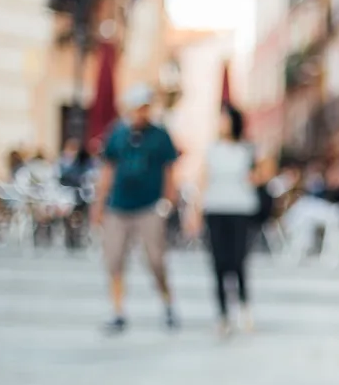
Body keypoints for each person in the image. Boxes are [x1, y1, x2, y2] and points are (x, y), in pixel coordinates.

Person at [91, 84, 180, 334]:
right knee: (114, 258)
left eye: (145, 107)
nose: (142, 113)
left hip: (149, 206)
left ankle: (168, 304)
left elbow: (169, 170)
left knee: (155, 259)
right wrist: (99, 204)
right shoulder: (117, 134)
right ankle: (118, 311)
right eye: (138, 108)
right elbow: (107, 170)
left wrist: (168, 201)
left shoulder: (160, 135)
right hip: (118, 206)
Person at [188, 105, 262, 337]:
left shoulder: (247, 149)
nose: (222, 123)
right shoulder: (212, 149)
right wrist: (195, 211)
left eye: (225, 119)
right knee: (218, 262)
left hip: (240, 208)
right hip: (216, 208)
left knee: (239, 261)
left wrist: (254, 174)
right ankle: (222, 315)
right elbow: (202, 180)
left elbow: (260, 175)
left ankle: (243, 307)